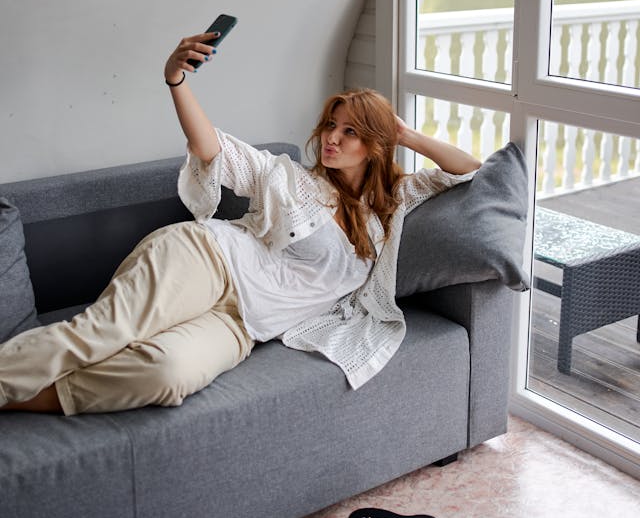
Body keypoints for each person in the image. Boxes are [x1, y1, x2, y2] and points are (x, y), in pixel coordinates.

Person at [0, 30, 480, 415]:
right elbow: (214, 150)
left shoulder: (391, 204)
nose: (331, 138)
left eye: (350, 131)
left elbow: (471, 170)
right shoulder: (288, 177)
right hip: (207, 259)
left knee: (165, 376)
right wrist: (177, 81)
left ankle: (22, 398)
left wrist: (404, 133)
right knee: (102, 332)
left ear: (375, 144)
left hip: (243, 325)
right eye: (330, 126)